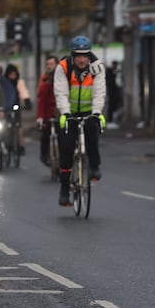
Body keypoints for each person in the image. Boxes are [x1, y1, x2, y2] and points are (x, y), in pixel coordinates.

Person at [54, 35, 107, 207]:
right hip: (68, 113)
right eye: (78, 55)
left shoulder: (97, 67)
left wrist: (97, 112)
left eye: (85, 55)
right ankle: (64, 189)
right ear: (73, 55)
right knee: (67, 148)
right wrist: (66, 112)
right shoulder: (63, 67)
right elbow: (61, 93)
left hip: (88, 112)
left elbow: (99, 92)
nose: (82, 59)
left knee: (92, 132)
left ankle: (94, 166)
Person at [4, 63, 31, 155]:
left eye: (14, 74)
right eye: (11, 74)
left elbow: (23, 91)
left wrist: (27, 101)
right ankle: (6, 143)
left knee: (18, 126)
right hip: (6, 106)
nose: (13, 76)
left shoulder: (19, 82)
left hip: (16, 106)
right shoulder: (4, 83)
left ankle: (20, 145)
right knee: (4, 126)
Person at [36, 55, 58, 166]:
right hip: (48, 114)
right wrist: (40, 117)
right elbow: (42, 99)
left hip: (60, 112)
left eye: (51, 64)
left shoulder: (63, 78)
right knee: (45, 135)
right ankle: (45, 156)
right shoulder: (44, 79)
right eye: (47, 64)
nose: (49, 66)